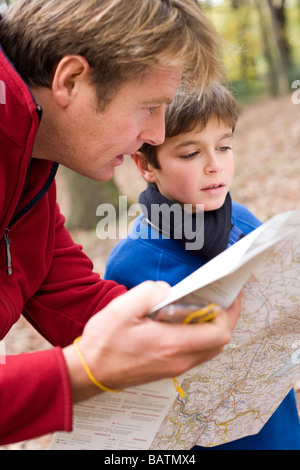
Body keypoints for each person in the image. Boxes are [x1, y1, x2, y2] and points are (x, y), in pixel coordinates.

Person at [0, 0, 241, 446]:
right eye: (150, 106)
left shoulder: (29, 164)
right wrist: (83, 372)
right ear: (71, 81)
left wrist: (177, 322)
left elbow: (69, 294)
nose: (158, 134)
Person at [104, 83, 300, 450]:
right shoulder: (131, 263)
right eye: (191, 153)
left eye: (224, 146)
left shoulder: (243, 222)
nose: (215, 165)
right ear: (147, 165)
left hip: (278, 428)